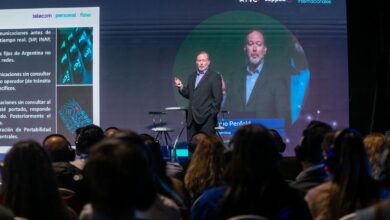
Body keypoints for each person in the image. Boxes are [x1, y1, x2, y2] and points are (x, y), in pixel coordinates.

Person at [225, 28, 291, 126]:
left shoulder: (277, 79)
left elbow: (283, 119)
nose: (254, 49)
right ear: (245, 48)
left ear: (265, 50)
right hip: (237, 138)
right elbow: (226, 113)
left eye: (259, 44)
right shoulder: (233, 78)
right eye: (250, 44)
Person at [174, 51, 223, 144]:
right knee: (192, 146)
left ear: (208, 62)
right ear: (196, 62)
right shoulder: (192, 77)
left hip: (207, 119)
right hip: (192, 119)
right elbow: (190, 95)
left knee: (207, 146)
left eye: (204, 60)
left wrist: (211, 116)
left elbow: (217, 98)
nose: (201, 63)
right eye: (199, 60)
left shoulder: (214, 77)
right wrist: (181, 87)